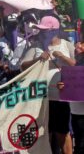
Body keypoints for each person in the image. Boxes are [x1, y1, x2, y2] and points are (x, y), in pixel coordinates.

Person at [20, 16, 75, 154]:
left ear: (54, 30)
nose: (42, 33)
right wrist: (38, 59)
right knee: (44, 134)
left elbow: (76, 65)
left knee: (63, 133)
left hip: (61, 99)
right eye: (41, 30)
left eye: (45, 30)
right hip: (40, 99)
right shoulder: (36, 46)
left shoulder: (67, 44)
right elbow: (22, 67)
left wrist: (62, 57)